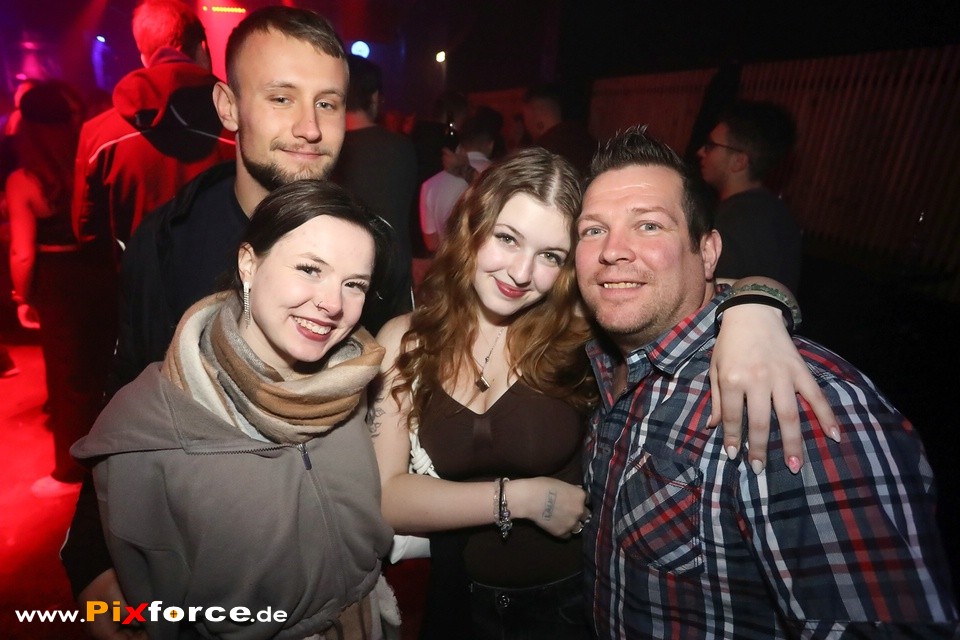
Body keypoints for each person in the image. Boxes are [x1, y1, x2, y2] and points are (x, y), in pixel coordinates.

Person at [372, 147, 838, 639]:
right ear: (473, 226)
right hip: (459, 597)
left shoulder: (582, 326)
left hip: (572, 605)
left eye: (550, 256)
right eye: (507, 238)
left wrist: (756, 307)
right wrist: (519, 499)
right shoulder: (407, 341)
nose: (521, 273)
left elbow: (693, 284)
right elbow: (387, 496)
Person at [576, 125, 959, 638]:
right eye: (592, 230)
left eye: (648, 226)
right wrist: (756, 295)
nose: (612, 250)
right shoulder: (604, 361)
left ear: (707, 252)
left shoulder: (795, 402)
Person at [61, 7, 353, 639]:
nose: (310, 128)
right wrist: (90, 555)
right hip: (196, 582)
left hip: (329, 586)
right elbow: (126, 392)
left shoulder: (366, 248)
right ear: (228, 106)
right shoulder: (168, 240)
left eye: (328, 103)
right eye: (282, 98)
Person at [72, 179, 395, 640]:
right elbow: (146, 608)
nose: (332, 303)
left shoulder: (355, 381)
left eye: (354, 284)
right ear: (249, 263)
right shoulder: (153, 419)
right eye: (309, 269)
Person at [6, 81, 113, 497]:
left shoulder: (25, 179)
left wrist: (22, 296)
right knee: (102, 363)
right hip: (99, 270)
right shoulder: (89, 164)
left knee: (66, 375)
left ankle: (71, 473)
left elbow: (22, 253)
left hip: (57, 278)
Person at [72, 0, 235, 266]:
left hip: (137, 284)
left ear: (144, 56)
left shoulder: (99, 134)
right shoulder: (239, 125)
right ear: (203, 48)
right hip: (224, 283)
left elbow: (88, 233)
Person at [331, 53, 417, 335]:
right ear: (375, 97)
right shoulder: (402, 149)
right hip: (394, 285)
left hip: (338, 289)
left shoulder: (326, 153)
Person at [697, 100, 802, 292]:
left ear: (739, 161)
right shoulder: (775, 212)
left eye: (711, 145)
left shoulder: (734, 223)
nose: (701, 151)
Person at [419, 112, 497, 252]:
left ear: (460, 145)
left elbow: (432, 244)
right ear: (490, 145)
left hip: (450, 262)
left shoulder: (430, 185)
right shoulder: (502, 176)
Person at [521, 84, 595, 176]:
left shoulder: (543, 153)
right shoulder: (586, 140)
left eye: (524, 117)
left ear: (536, 110)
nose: (525, 124)